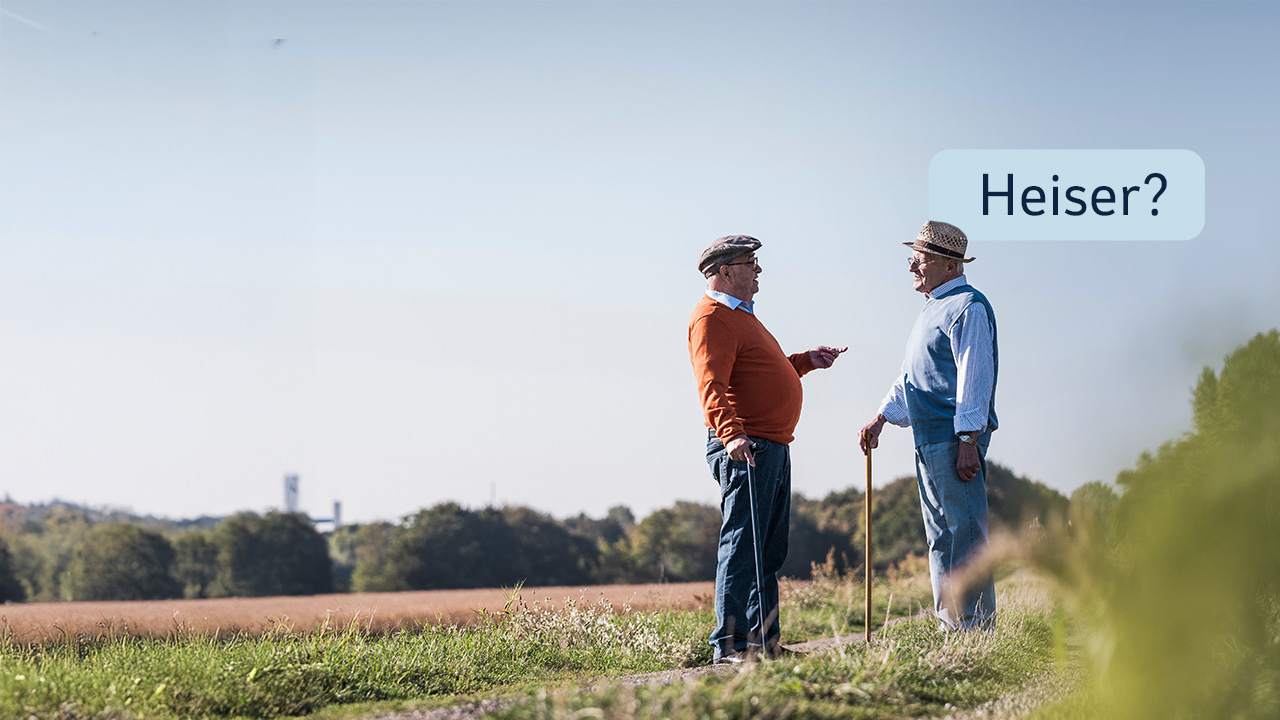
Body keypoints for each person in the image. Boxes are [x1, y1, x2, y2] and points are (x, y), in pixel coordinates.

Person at [688, 235, 846, 663]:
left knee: (767, 549)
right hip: (745, 446)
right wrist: (731, 434)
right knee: (742, 544)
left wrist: (804, 362)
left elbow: (763, 373)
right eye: (750, 263)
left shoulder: (744, 317)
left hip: (770, 445)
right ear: (724, 272)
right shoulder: (712, 317)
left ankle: (763, 642)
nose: (758, 270)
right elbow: (712, 385)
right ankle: (731, 645)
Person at [859, 220, 998, 631]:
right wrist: (882, 417)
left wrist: (969, 438)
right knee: (940, 536)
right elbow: (911, 377)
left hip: (954, 440)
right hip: (927, 439)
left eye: (919, 260)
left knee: (966, 532)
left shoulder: (967, 307)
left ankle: (975, 628)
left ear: (949, 265)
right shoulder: (932, 309)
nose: (911, 268)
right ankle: (952, 626)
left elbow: (975, 375)